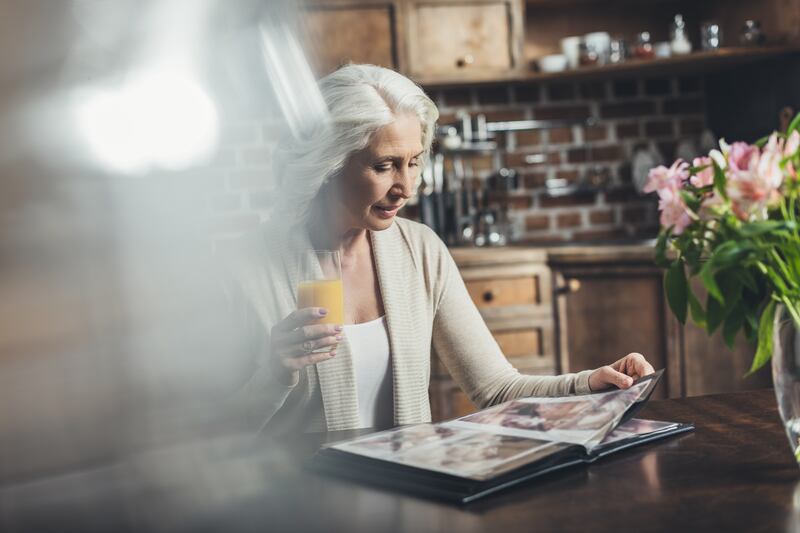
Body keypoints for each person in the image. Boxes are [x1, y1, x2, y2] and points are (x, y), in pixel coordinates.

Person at [226, 64, 654, 434]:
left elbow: (497, 390)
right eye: (384, 165)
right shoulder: (246, 268)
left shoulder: (421, 251)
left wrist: (590, 385)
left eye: (413, 162)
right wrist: (274, 371)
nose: (406, 187)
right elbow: (207, 437)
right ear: (329, 164)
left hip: (407, 499)